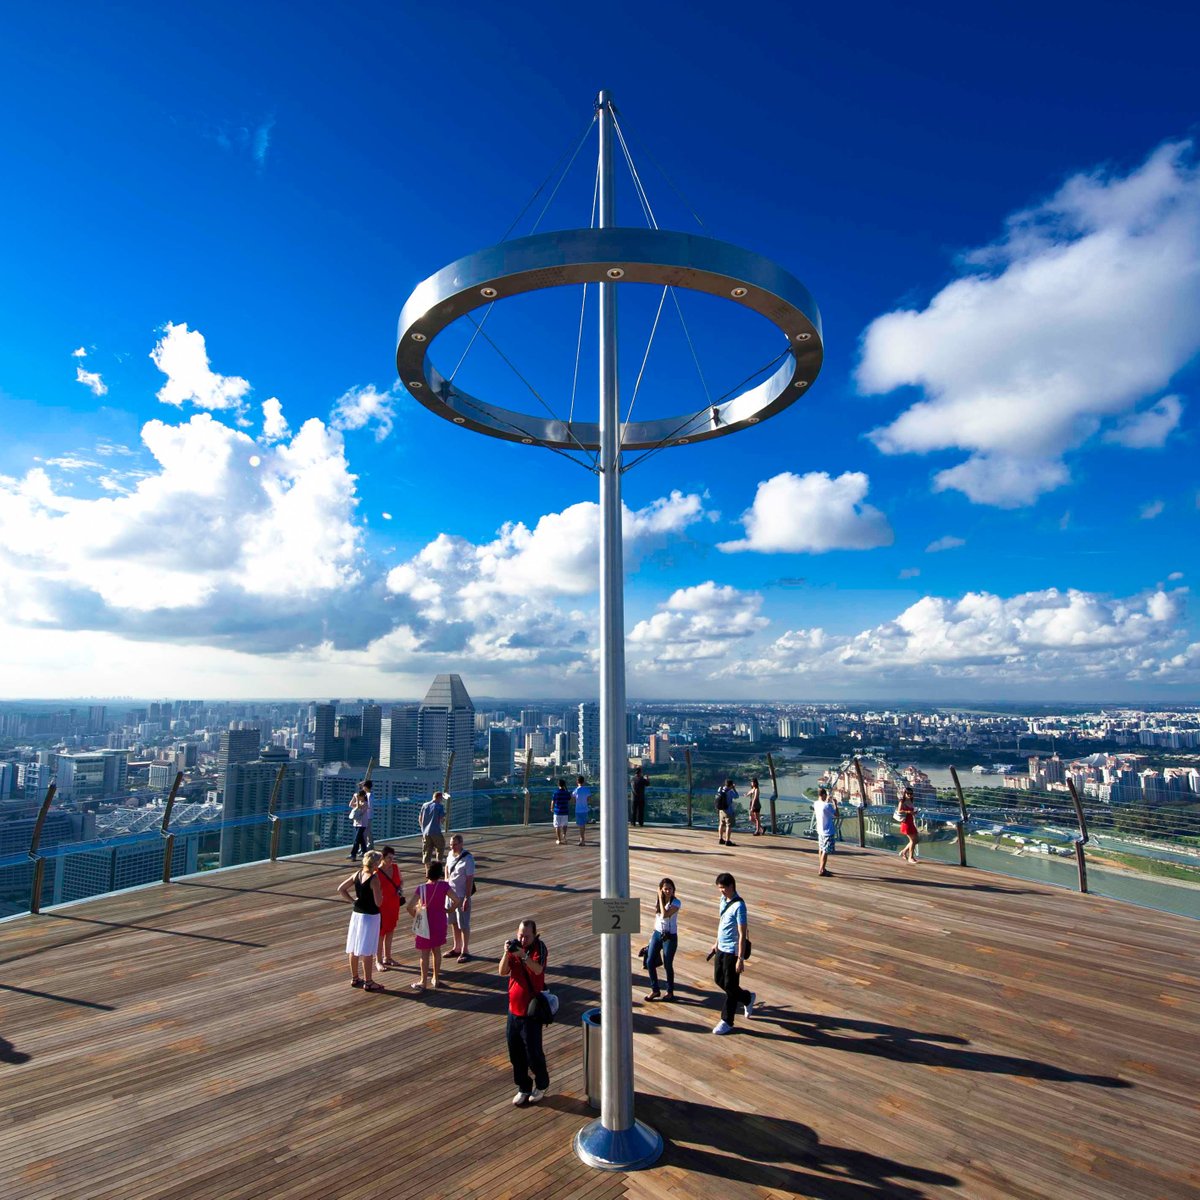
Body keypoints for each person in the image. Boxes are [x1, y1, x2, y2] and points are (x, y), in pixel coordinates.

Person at [498, 918, 549, 1107]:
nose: (523, 938)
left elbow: (538, 970)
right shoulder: (513, 947)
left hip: (531, 1012)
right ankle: (523, 1086)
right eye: (520, 934)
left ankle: (542, 1084)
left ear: (534, 935)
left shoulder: (539, 948)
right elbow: (502, 971)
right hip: (513, 1011)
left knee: (534, 1054)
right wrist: (506, 953)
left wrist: (523, 955)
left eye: (527, 936)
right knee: (515, 1053)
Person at [406, 860, 461, 992]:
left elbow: (409, 907)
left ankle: (423, 981)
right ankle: (436, 979)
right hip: (439, 922)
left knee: (424, 954)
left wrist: (417, 916)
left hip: (425, 924)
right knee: (437, 951)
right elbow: (457, 900)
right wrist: (450, 910)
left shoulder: (421, 888)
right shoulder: (444, 886)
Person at [710, 872, 753, 1034]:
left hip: (732, 951)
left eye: (722, 888)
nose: (720, 891)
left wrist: (740, 958)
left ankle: (727, 1021)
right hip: (721, 947)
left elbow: (742, 934)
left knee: (730, 986)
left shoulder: (740, 906)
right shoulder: (723, 900)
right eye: (719, 888)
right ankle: (747, 998)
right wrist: (716, 943)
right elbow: (722, 924)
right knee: (719, 979)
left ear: (731, 886)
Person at [337, 849, 385, 992]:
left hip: (357, 914)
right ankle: (369, 981)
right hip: (370, 916)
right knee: (367, 950)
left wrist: (353, 901)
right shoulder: (374, 879)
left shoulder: (357, 874)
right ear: (375, 863)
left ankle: (355, 977)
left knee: (354, 947)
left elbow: (341, 889)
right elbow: (378, 903)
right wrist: (382, 894)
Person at [643, 878, 680, 1002]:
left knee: (668, 964)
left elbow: (664, 915)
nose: (668, 891)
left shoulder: (676, 903)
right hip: (657, 934)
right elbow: (658, 918)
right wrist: (652, 935)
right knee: (649, 961)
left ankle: (670, 991)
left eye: (670, 888)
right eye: (665, 889)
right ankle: (655, 989)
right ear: (661, 889)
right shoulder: (659, 901)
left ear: (674, 889)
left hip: (670, 937)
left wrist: (660, 897)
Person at [445, 833, 476, 962]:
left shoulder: (468, 859)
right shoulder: (449, 855)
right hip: (450, 894)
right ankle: (456, 947)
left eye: (455, 844)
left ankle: (465, 950)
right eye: (451, 845)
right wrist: (446, 882)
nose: (452, 847)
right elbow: (446, 868)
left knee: (463, 923)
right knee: (453, 922)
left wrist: (466, 898)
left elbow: (469, 879)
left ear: (461, 844)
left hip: (462, 894)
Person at [375, 845, 404, 970]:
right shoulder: (376, 872)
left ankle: (388, 957)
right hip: (382, 905)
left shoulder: (395, 868)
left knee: (391, 930)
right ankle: (378, 960)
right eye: (389, 858)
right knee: (381, 933)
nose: (391, 860)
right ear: (382, 857)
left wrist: (400, 889)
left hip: (394, 903)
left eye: (392, 858)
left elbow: (400, 881)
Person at [812, 787, 837, 877]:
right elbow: (836, 814)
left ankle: (821, 866)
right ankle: (821, 870)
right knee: (826, 851)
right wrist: (835, 804)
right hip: (828, 831)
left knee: (821, 848)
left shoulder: (815, 804)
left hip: (820, 830)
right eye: (825, 795)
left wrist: (826, 800)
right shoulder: (828, 806)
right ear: (823, 795)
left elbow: (822, 808)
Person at [419, 790, 447, 864]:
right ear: (439, 798)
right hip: (435, 831)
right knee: (440, 847)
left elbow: (420, 819)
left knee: (427, 851)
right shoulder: (439, 806)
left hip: (425, 832)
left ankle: (428, 871)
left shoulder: (424, 805)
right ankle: (438, 866)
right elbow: (441, 820)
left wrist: (423, 829)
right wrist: (444, 817)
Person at [897, 785, 920, 863]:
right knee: (913, 840)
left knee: (916, 840)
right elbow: (899, 810)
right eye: (908, 793)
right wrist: (908, 812)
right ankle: (911, 857)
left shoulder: (910, 801)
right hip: (906, 822)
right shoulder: (902, 801)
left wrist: (914, 812)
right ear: (905, 793)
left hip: (911, 821)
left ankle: (904, 852)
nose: (909, 795)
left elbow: (911, 811)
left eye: (911, 793)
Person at [347, 787, 372, 860]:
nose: (359, 797)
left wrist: (357, 799)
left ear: (363, 796)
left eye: (360, 796)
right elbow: (350, 805)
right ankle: (365, 852)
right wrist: (354, 797)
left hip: (362, 824)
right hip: (356, 823)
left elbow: (358, 807)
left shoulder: (365, 803)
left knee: (357, 840)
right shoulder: (360, 802)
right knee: (361, 840)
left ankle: (353, 854)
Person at [716, 778, 738, 847]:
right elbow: (736, 796)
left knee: (721, 824)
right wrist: (734, 789)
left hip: (721, 809)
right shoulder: (730, 792)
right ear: (731, 785)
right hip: (728, 810)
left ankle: (720, 838)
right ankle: (727, 840)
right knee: (728, 825)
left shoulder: (720, 788)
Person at [550, 778, 571, 846]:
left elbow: (553, 801)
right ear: (564, 785)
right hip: (565, 811)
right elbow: (569, 798)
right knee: (564, 825)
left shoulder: (556, 793)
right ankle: (564, 835)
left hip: (557, 811)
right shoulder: (566, 793)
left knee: (557, 826)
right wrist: (566, 789)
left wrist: (551, 808)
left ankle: (559, 840)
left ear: (558, 784)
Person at [573, 775, 592, 846]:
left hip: (578, 810)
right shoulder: (586, 790)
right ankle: (582, 839)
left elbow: (573, 800)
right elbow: (589, 799)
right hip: (585, 809)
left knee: (580, 825)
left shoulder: (576, 790)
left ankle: (582, 839)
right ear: (583, 781)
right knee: (583, 825)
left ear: (577, 782)